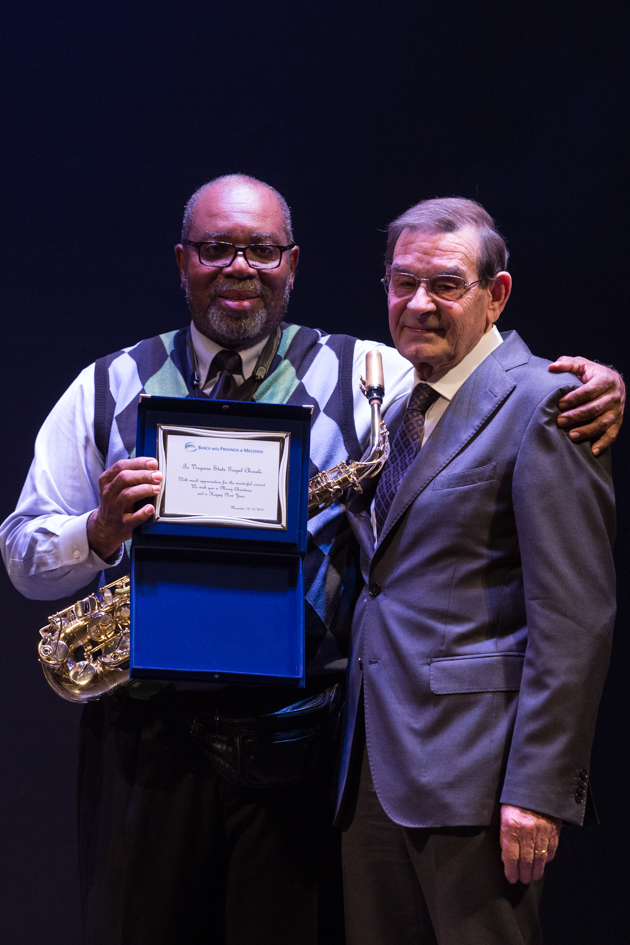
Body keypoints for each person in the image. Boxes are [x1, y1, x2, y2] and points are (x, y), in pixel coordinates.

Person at [0, 177, 623, 945]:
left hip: (304, 747)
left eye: (261, 250)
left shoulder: (375, 378)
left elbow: (485, 382)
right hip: (146, 744)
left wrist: (596, 385)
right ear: (181, 261)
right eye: (216, 248)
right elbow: (24, 555)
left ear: (292, 263)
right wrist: (95, 533)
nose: (239, 267)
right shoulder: (104, 386)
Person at [336, 196, 618, 945]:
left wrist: (539, 790)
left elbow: (575, 616)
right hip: (372, 769)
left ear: (495, 295)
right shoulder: (400, 410)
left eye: (445, 285)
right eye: (402, 283)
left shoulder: (548, 403)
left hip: (479, 780)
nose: (418, 303)